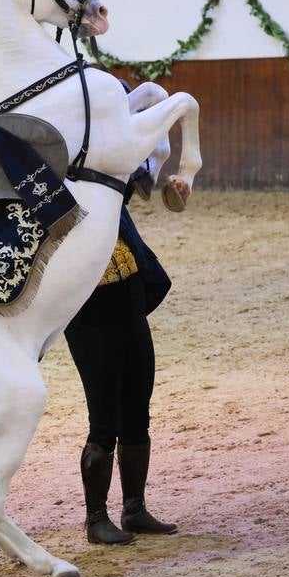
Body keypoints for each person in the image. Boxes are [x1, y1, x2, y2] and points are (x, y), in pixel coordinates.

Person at [65, 176, 177, 546]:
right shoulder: (57, 201)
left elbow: (135, 175)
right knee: (103, 420)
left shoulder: (105, 192)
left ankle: (134, 509)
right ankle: (96, 519)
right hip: (91, 318)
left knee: (137, 409)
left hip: (130, 307)